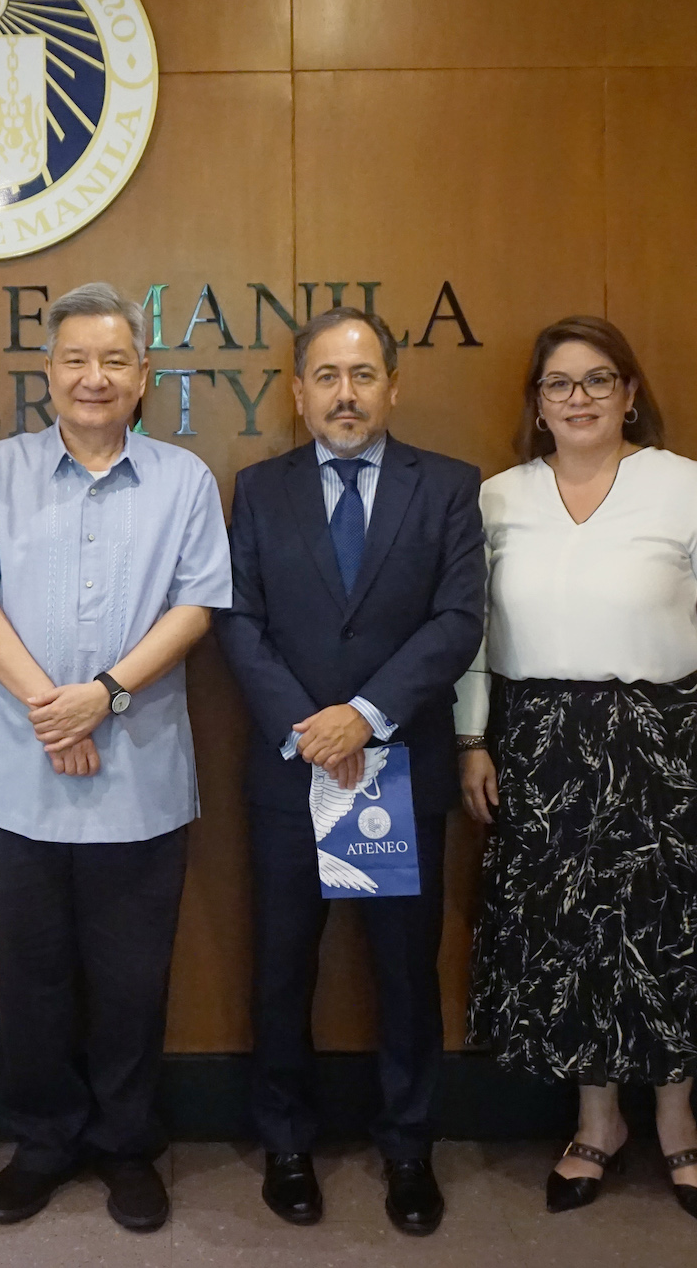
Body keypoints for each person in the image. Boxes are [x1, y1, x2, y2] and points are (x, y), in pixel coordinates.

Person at [457, 315, 697, 1230]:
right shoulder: (498, 499)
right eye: (560, 383)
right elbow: (469, 632)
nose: (581, 398)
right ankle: (596, 1121)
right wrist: (472, 737)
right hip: (541, 741)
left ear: (632, 394)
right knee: (570, 934)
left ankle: (678, 1120)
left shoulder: (689, 490)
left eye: (600, 380)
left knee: (674, 927)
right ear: (538, 403)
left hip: (669, 738)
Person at [0, 282, 231, 1234]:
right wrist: (49, 709)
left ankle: (125, 1142)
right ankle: (43, 1139)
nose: (93, 377)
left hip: (138, 772)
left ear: (143, 377)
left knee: (132, 974)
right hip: (18, 772)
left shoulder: (184, 479)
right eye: (74, 360)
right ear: (48, 373)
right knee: (29, 970)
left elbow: (197, 605)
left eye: (113, 361)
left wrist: (101, 696)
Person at [217, 307, 484, 1237]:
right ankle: (286, 1141)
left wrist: (362, 716)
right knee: (283, 966)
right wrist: (310, 726)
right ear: (297, 392)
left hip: (395, 766)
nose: (344, 392)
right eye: (326, 376)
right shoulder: (256, 488)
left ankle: (409, 1146)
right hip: (292, 772)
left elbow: (457, 621)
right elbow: (238, 621)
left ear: (393, 387)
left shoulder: (448, 486)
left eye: (363, 374)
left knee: (406, 973)